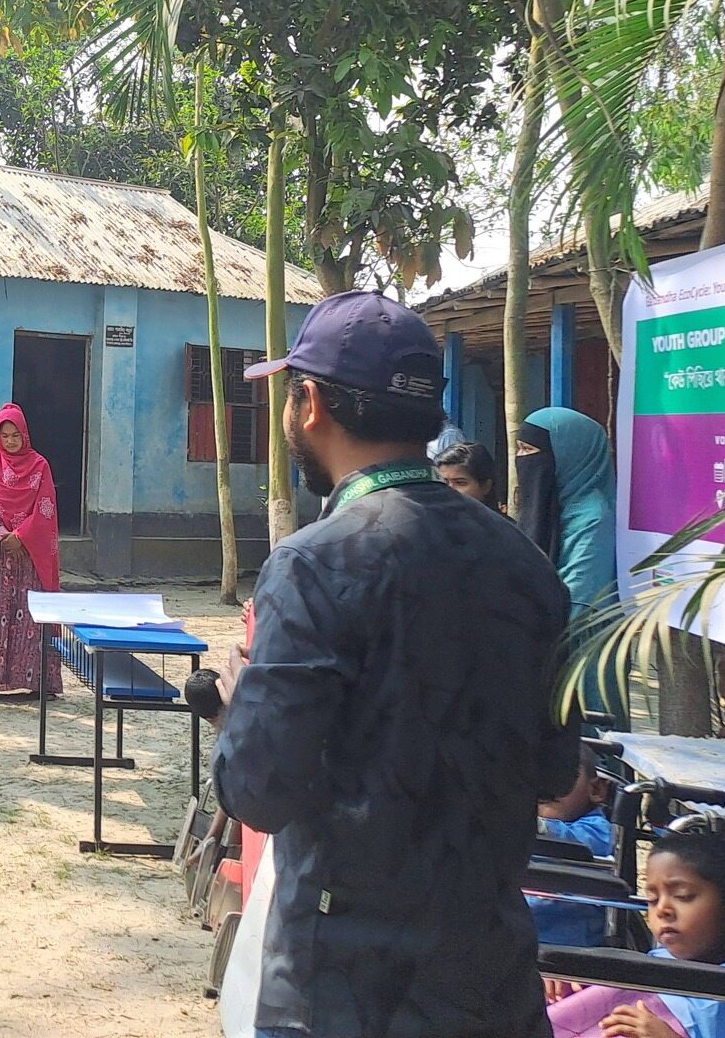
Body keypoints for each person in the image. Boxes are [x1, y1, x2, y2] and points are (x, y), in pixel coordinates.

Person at [215, 289, 577, 1038]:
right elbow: (551, 773)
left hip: (343, 982)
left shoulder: (315, 564)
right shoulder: (526, 564)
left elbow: (258, 789)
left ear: (308, 403)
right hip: (490, 974)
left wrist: (240, 706)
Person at [547, 833, 725, 1038]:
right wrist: (570, 983)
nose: (662, 910)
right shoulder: (657, 960)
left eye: (683, 896)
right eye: (652, 900)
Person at [516, 406, 625, 727]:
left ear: (569, 455)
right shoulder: (557, 507)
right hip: (552, 645)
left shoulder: (593, 515)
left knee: (591, 742)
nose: (523, 459)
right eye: (520, 450)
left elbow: (579, 597)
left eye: (531, 451)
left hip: (581, 650)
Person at [0, 404, 62, 702]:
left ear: (25, 434)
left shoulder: (40, 466)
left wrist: (21, 537)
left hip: (28, 553)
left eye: (15, 435)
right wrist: (1, 534)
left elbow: (45, 508)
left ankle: (38, 681)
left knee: (32, 611)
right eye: (4, 435)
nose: (10, 441)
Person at [533, 759, 614, 949]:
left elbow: (577, 839)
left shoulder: (599, 828)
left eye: (563, 773)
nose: (547, 785)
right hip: (518, 938)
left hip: (575, 948)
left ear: (596, 790)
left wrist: (524, 823)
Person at [437, 440, 505, 513]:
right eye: (443, 482)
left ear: (486, 486)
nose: (449, 490)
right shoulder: (428, 520)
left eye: (460, 483)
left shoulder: (500, 523)